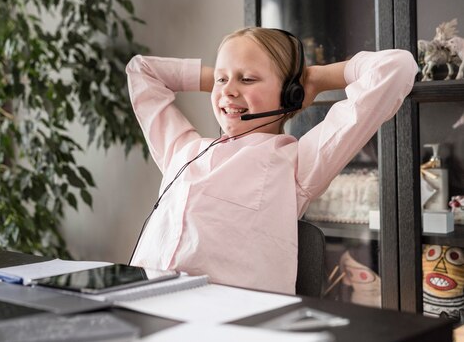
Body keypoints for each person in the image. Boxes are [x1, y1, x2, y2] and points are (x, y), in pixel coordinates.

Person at [125, 27, 417, 294]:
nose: (227, 90)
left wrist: (314, 78)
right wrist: (224, 79)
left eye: (248, 78)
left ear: (290, 94)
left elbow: (396, 67)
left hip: (229, 324)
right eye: (221, 80)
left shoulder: (298, 164)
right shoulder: (183, 150)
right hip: (142, 307)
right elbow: (142, 71)